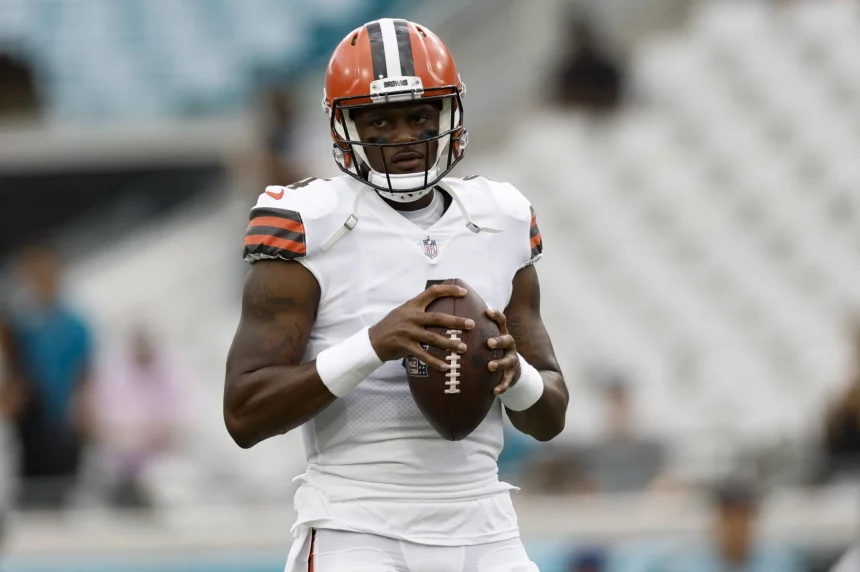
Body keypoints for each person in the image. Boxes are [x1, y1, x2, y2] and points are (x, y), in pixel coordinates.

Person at [224, 18, 569, 572]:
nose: (405, 136)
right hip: (356, 527)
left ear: (448, 115)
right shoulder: (309, 222)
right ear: (345, 128)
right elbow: (243, 413)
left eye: (418, 115)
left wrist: (515, 373)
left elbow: (550, 415)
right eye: (380, 120)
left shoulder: (501, 218)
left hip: (485, 524)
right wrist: (374, 346)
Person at [0, 242, 94, 509]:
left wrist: (83, 407)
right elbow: (14, 372)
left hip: (62, 419)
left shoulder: (75, 324)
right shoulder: (20, 322)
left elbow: (85, 371)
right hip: (28, 423)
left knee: (63, 488)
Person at [93, 325, 191, 509]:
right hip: (119, 472)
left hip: (163, 472)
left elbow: (182, 423)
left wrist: (143, 434)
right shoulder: (114, 372)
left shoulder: (172, 371)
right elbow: (104, 425)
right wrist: (144, 434)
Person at [660, 480, 803, 572]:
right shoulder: (685, 564)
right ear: (715, 519)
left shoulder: (780, 562)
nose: (736, 526)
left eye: (743, 516)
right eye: (729, 518)